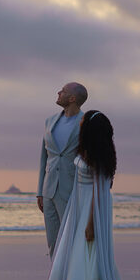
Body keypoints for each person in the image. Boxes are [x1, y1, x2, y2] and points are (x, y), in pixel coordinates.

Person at [38, 110, 131, 280]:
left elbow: (99, 191)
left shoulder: (98, 155)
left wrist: (91, 223)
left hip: (91, 205)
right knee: (72, 247)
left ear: (90, 127)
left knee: (87, 247)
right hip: (78, 203)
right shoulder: (85, 150)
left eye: (82, 120)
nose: (79, 122)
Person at [37, 82, 87, 258]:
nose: (59, 92)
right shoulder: (50, 121)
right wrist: (39, 192)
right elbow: (44, 157)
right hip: (48, 190)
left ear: (72, 98)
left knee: (71, 239)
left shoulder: (85, 122)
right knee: (53, 241)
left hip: (72, 188)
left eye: (63, 91)